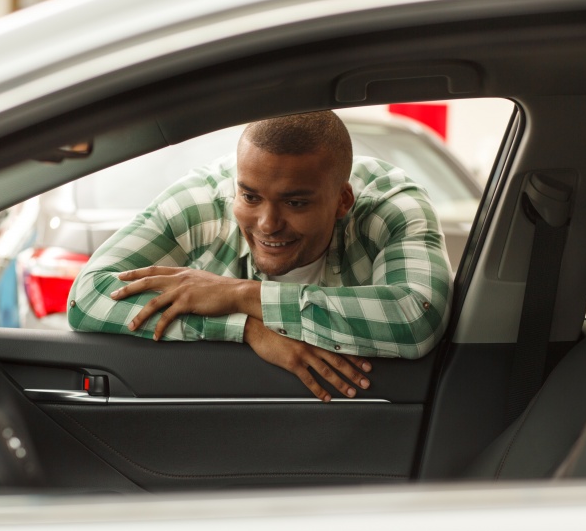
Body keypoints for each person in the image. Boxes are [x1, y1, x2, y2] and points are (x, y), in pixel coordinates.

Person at [68, 111, 452, 401]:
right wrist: (245, 327)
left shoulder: (388, 205)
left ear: (342, 201)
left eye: (295, 202)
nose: (268, 224)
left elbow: (415, 315)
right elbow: (87, 297)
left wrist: (240, 295)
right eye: (250, 197)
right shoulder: (201, 202)